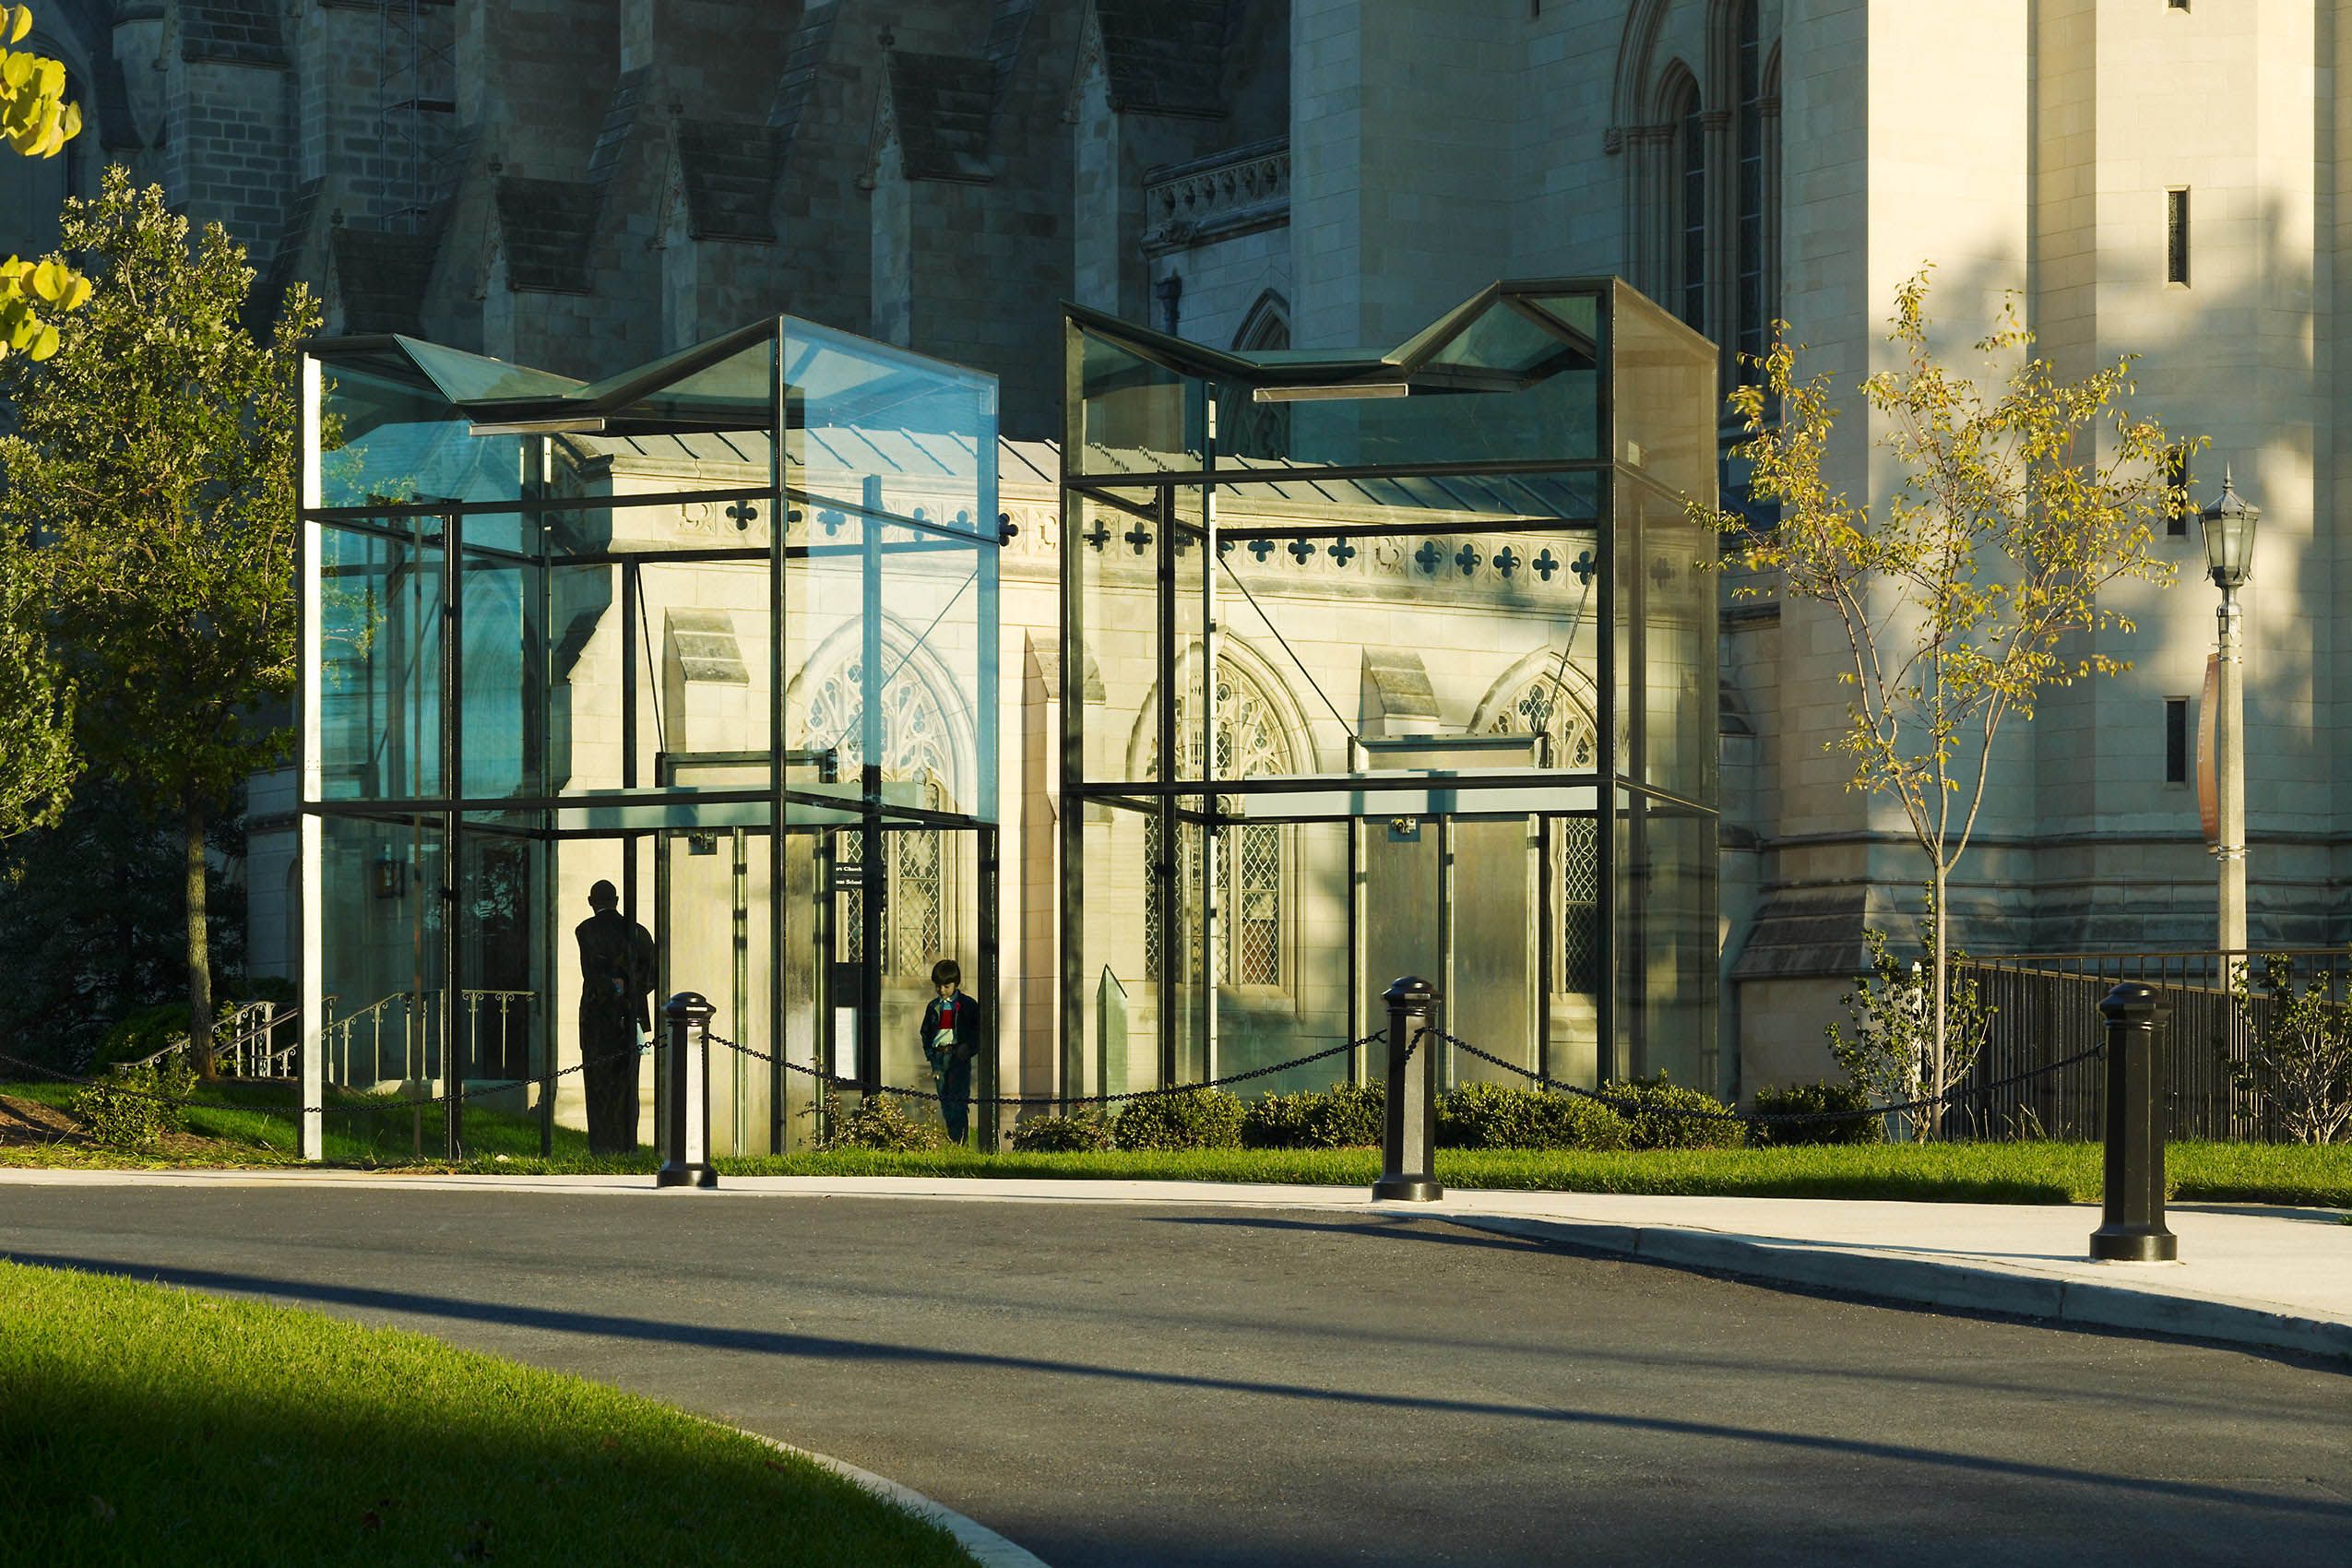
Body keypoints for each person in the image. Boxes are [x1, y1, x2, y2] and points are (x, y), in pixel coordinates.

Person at [576, 879, 656, 1155]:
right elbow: (652, 975)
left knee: (598, 1086)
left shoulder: (586, 930)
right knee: (627, 1086)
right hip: (630, 1017)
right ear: (617, 900)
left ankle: (601, 1145)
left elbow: (592, 973)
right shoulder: (638, 931)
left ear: (591, 901)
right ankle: (627, 1144)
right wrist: (630, 991)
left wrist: (613, 986)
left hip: (598, 1018)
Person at [921, 957, 982, 1143]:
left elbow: (978, 1031)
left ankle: (960, 1139)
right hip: (939, 1057)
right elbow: (925, 1032)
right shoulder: (933, 1007)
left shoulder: (968, 1005)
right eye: (938, 986)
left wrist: (968, 1048)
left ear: (956, 984)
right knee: (945, 1100)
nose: (942, 990)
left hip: (958, 1057)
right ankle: (953, 1137)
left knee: (959, 1100)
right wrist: (931, 1056)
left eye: (946, 986)